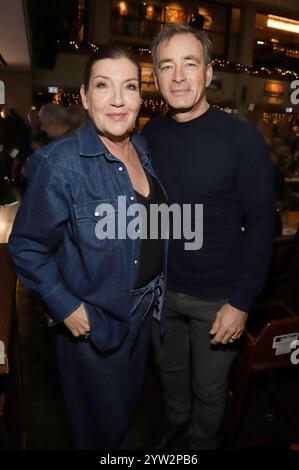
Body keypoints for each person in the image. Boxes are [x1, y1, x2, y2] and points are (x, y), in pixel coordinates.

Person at [9, 45, 167, 450]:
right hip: (96, 319)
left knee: (126, 413)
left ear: (139, 96)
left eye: (129, 86)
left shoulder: (143, 149)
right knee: (101, 432)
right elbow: (26, 247)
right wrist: (67, 307)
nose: (117, 99)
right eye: (103, 85)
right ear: (83, 96)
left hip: (144, 313)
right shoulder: (60, 164)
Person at [142, 24, 274, 450]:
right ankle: (177, 424)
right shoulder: (149, 136)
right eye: (167, 65)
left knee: (210, 388)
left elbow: (260, 226)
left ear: (209, 71)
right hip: (161, 292)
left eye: (189, 63)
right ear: (156, 76)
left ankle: (200, 445)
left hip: (217, 299)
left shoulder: (242, 140)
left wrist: (240, 304)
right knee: (171, 374)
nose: (178, 76)